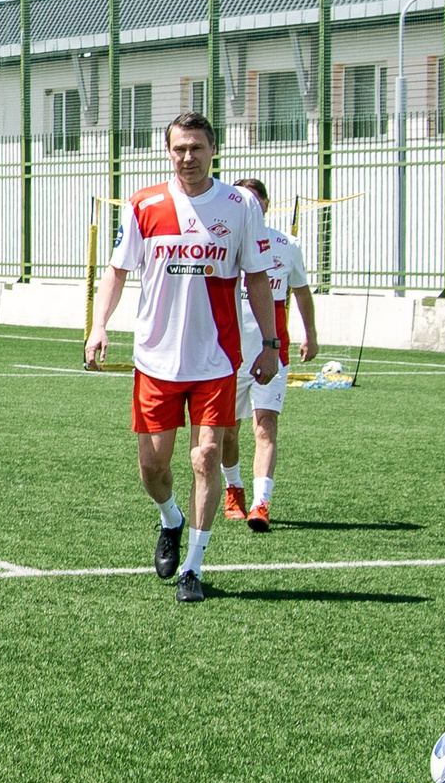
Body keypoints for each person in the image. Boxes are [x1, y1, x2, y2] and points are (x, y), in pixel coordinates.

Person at [83, 114, 279, 602]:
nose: (187, 157)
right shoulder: (144, 204)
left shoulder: (238, 206)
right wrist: (99, 325)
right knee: (152, 467)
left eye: (196, 147)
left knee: (207, 454)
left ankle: (193, 565)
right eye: (178, 149)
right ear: (167, 152)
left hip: (215, 359)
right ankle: (170, 519)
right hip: (155, 359)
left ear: (214, 149)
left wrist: (271, 345)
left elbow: (256, 277)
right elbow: (117, 270)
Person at [218, 178, 317, 534]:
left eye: (256, 202)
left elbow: (302, 292)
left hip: (273, 354)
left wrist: (311, 335)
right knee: (228, 433)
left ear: (265, 205)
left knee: (266, 427)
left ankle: (261, 503)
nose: (251, 208)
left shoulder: (286, 245)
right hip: (229, 356)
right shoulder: (222, 241)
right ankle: (234, 489)